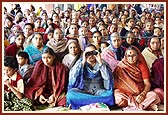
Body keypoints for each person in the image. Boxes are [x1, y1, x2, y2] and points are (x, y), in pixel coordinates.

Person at [66, 44, 115, 110]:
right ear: (84, 54)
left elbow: (108, 79)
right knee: (70, 95)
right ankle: (98, 102)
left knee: (110, 96)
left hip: (99, 91)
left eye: (93, 53)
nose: (91, 55)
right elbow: (73, 78)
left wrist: (100, 63)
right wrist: (83, 62)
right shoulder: (80, 62)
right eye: (88, 53)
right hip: (84, 91)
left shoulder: (102, 62)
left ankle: (84, 102)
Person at [113, 46, 161, 111]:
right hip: (125, 94)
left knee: (153, 95)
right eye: (129, 56)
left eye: (133, 55)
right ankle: (142, 106)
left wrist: (143, 94)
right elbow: (116, 82)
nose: (131, 58)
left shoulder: (141, 66)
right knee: (117, 95)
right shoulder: (121, 66)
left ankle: (132, 106)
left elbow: (147, 84)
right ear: (125, 56)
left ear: (138, 56)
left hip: (140, 93)